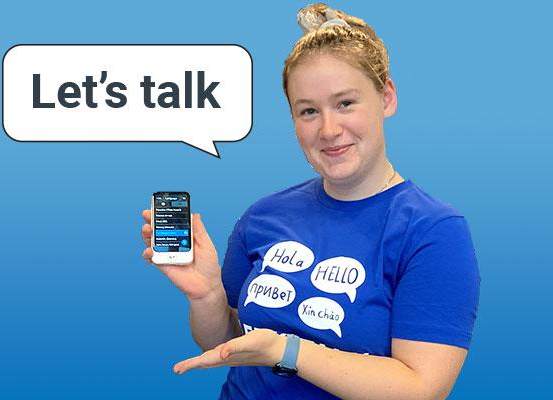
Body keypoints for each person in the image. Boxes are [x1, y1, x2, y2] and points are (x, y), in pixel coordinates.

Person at [141, 3, 480, 399]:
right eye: (308, 111)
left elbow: (421, 389)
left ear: (386, 97)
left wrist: (285, 350)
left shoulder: (434, 232)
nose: (329, 129)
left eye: (345, 103)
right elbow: (231, 345)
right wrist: (209, 297)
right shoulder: (264, 215)